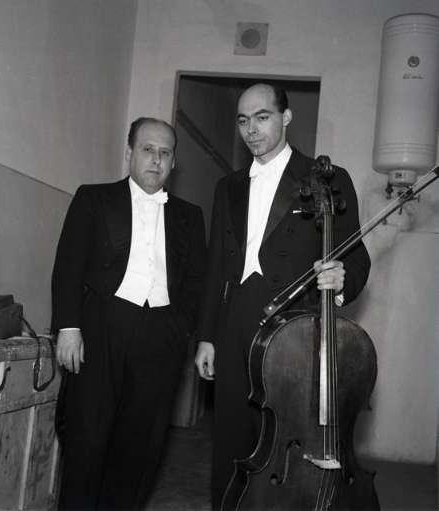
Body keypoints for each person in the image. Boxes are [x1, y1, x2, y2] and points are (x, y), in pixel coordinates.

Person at [194, 83, 371, 509]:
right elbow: (215, 266)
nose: (251, 130)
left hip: (294, 329)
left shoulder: (326, 178)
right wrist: (207, 336)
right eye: (243, 120)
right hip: (235, 322)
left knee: (284, 440)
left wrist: (342, 277)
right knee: (231, 438)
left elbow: (357, 256)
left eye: (262, 117)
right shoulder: (227, 186)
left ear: (286, 118)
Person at [52, 117, 206, 510]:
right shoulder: (93, 199)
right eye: (148, 149)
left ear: (174, 162)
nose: (156, 159)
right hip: (100, 329)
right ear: (129, 153)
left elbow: (195, 283)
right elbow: (68, 266)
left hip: (160, 337)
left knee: (140, 446)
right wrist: (68, 327)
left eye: (165, 153)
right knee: (87, 438)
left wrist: (179, 331)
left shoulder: (190, 216)